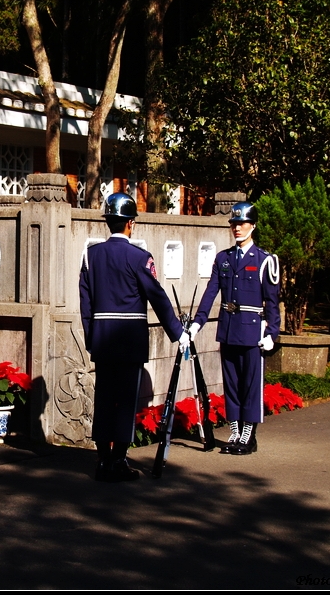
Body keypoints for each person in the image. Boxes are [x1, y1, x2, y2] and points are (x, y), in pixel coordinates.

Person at [79, 192, 189, 482]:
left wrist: (92, 338)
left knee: (103, 398)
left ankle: (102, 460)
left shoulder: (91, 255)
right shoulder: (140, 257)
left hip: (102, 339)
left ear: (109, 222)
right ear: (130, 224)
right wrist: (178, 332)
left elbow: (85, 303)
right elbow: (158, 297)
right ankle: (118, 460)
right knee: (126, 401)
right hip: (129, 340)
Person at [187, 202, 280, 456]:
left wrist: (272, 333)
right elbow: (210, 293)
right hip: (229, 329)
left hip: (252, 332)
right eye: (234, 224)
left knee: (250, 385)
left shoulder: (264, 260)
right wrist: (197, 323)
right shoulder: (223, 258)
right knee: (232, 384)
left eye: (242, 223)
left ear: (253, 226)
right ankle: (235, 431)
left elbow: (272, 302)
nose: (237, 228)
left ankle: (248, 436)